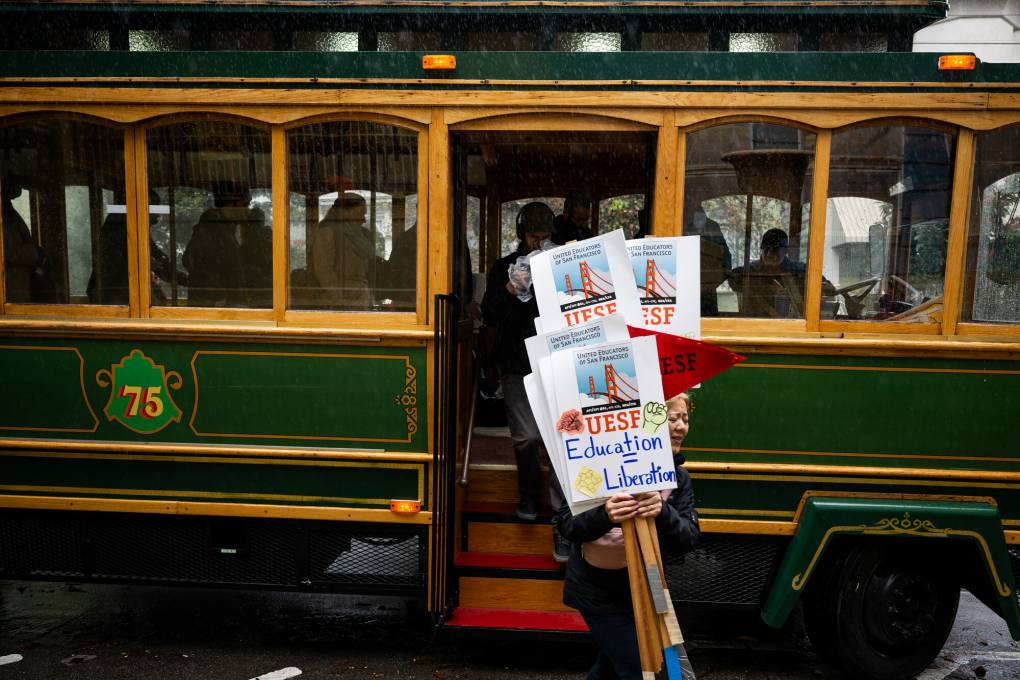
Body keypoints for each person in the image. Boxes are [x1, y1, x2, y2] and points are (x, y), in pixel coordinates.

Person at [554, 393, 700, 680]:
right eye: (672, 418)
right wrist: (605, 513)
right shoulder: (593, 468)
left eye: (685, 419)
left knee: (611, 667)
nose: (681, 427)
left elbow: (688, 539)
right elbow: (566, 526)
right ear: (646, 424)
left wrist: (662, 511)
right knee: (636, 669)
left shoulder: (679, 479)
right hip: (596, 591)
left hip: (649, 588)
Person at [481, 201, 572, 561]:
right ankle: (528, 495)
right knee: (525, 437)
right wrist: (509, 288)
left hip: (555, 360)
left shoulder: (560, 263)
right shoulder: (504, 267)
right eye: (534, 236)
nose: (539, 243)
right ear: (522, 234)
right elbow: (488, 312)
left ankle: (561, 515)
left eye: (545, 236)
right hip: (516, 362)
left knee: (557, 439)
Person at [729, 228, 834, 318]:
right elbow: (732, 278)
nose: (769, 253)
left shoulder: (800, 271)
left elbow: (829, 290)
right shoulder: (748, 272)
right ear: (761, 249)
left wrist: (819, 289)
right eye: (766, 249)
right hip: (755, 328)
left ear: (786, 251)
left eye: (775, 249)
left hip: (793, 329)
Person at [184, 183, 260, 307]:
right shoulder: (211, 227)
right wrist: (217, 296)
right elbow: (190, 260)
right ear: (231, 205)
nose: (247, 210)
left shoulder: (229, 227)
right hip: (215, 304)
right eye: (245, 204)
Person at [312, 191, 375, 310]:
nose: (364, 220)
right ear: (345, 213)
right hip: (342, 301)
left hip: (360, 297)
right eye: (359, 214)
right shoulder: (328, 234)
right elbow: (323, 270)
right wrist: (339, 299)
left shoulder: (362, 235)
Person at [1, 176, 41, 303]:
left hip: (18, 288)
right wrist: (35, 253)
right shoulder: (6, 213)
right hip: (10, 292)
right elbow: (7, 252)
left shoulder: (9, 211)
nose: (18, 185)